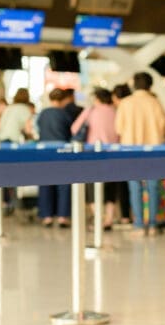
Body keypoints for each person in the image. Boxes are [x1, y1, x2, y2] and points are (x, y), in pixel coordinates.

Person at [115, 72, 165, 235]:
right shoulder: (155, 103)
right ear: (150, 86)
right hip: (153, 150)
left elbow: (118, 128)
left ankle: (139, 225)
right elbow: (164, 126)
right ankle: (152, 225)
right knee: (153, 187)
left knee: (135, 186)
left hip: (131, 150)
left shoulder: (125, 103)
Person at [71, 88, 119, 228]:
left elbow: (75, 128)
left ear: (97, 98)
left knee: (92, 186)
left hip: (93, 153)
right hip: (113, 153)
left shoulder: (91, 110)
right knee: (110, 187)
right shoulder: (115, 111)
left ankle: (98, 219)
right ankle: (109, 219)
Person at [36, 88, 74, 228]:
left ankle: (46, 216)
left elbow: (35, 130)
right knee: (64, 184)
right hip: (62, 149)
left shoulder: (42, 114)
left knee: (45, 182)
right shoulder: (65, 114)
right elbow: (71, 131)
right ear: (63, 99)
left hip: (44, 151)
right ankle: (63, 216)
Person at [111, 84, 132, 223]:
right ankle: (145, 220)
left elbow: (118, 130)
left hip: (125, 149)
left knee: (125, 184)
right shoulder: (152, 101)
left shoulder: (123, 106)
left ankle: (127, 217)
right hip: (148, 150)